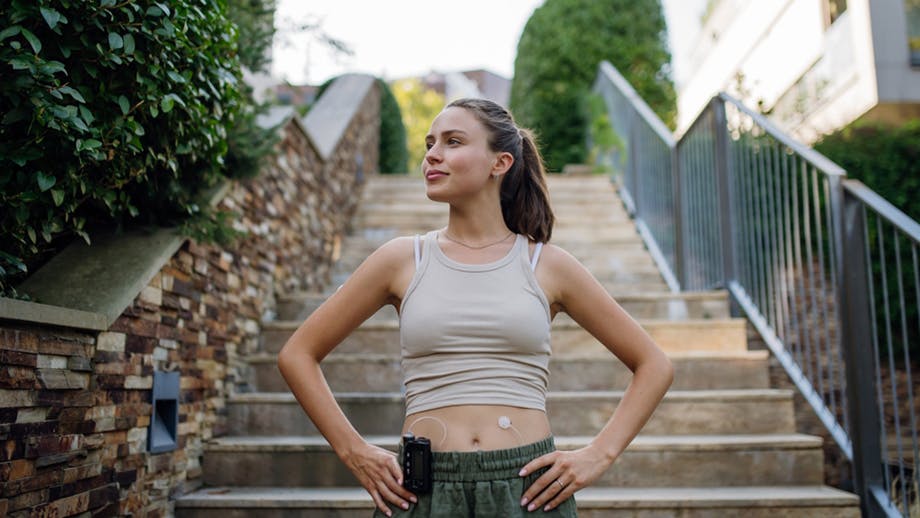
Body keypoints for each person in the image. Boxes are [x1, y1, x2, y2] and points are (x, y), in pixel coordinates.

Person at [277, 98, 674, 517]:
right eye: (430, 143)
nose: (432, 153)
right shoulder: (400, 259)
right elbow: (297, 354)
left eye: (452, 141)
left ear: (499, 163)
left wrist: (600, 453)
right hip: (424, 490)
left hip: (525, 490)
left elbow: (654, 363)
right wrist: (352, 451)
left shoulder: (546, 264)